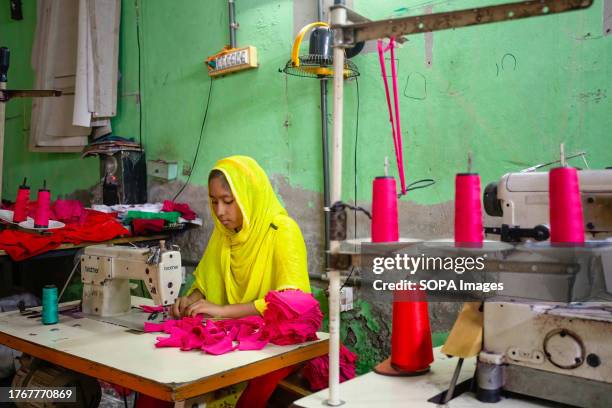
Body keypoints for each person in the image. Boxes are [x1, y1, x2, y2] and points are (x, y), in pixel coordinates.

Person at [172, 155, 311, 320]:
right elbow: (208, 282)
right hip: (231, 336)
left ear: (249, 197)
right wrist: (190, 301)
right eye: (214, 202)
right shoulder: (224, 233)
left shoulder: (282, 230)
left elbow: (293, 301)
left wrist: (223, 311)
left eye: (228, 201)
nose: (219, 211)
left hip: (274, 336)